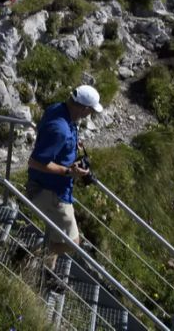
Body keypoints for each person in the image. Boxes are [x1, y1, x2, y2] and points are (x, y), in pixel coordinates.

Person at [26, 85, 101, 288]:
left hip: (54, 188)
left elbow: (54, 138)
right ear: (84, 108)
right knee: (72, 243)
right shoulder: (60, 129)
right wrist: (69, 172)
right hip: (50, 191)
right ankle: (30, 254)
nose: (90, 115)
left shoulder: (60, 110)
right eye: (91, 111)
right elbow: (35, 161)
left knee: (55, 232)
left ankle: (46, 274)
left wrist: (72, 144)